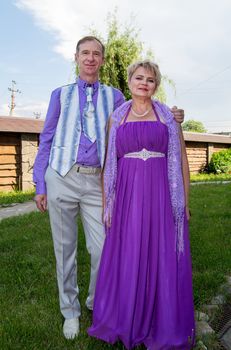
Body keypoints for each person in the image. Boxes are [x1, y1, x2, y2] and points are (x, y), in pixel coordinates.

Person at [33, 36, 185, 340]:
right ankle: (71, 312)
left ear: (102, 60)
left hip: (96, 180)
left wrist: (175, 116)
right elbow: (46, 139)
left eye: (96, 54)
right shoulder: (59, 95)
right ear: (75, 57)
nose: (90, 58)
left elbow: (142, 110)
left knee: (102, 247)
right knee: (65, 250)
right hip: (61, 176)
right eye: (85, 53)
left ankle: (95, 300)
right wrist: (40, 182)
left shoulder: (115, 96)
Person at [88, 60, 195, 349]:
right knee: (130, 250)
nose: (144, 83)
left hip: (161, 193)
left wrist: (183, 199)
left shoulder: (168, 117)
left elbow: (181, 160)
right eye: (139, 77)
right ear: (130, 80)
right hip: (127, 196)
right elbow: (110, 162)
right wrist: (106, 203)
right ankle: (127, 318)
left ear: (156, 85)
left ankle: (161, 320)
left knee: (160, 251)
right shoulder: (117, 117)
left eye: (150, 79)